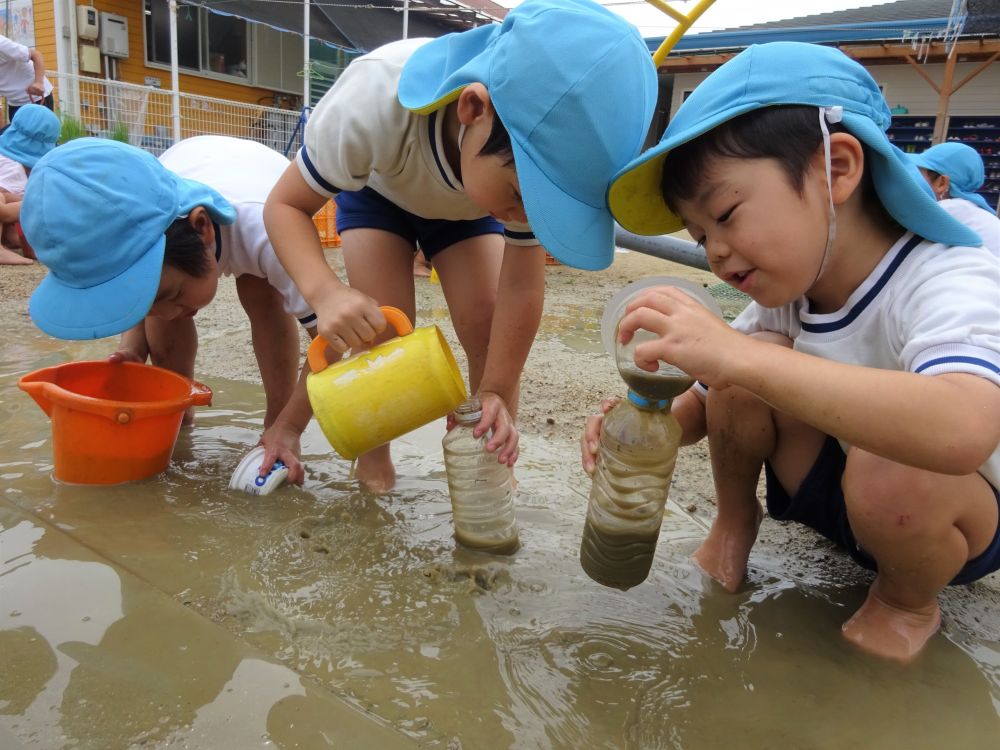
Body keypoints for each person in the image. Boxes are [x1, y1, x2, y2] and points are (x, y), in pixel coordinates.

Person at [583, 42, 1000, 662]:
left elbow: (964, 427)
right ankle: (733, 523)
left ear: (836, 168)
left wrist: (738, 356)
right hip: (836, 495)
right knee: (740, 373)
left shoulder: (946, 270)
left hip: (938, 513)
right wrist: (640, 421)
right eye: (700, 236)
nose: (716, 252)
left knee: (881, 459)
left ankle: (905, 599)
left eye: (726, 215)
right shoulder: (790, 281)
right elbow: (707, 404)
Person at [264, 0, 657, 493]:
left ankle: (491, 475)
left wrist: (494, 387)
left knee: (490, 326)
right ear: (473, 109)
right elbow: (284, 207)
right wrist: (324, 292)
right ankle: (374, 471)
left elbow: (520, 292)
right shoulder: (373, 97)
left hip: (469, 207)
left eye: (546, 209)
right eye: (523, 196)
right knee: (381, 331)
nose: (529, 219)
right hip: (380, 193)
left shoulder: (524, 180)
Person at [21, 136, 316, 484]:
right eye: (144, 301)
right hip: (180, 175)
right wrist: (131, 348)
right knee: (162, 313)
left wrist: (291, 423)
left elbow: (332, 338)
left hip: (262, 188)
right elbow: (141, 292)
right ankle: (178, 418)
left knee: (260, 293)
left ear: (202, 227)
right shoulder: (142, 226)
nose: (164, 312)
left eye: (171, 292)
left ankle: (275, 425)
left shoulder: (269, 229)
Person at [909, 142, 1000, 254]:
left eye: (917, 174)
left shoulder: (948, 210)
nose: (911, 179)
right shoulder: (972, 210)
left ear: (941, 183)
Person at [0, 103, 59, 265]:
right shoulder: (13, 167)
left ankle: (8, 239)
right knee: (25, 202)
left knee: (17, 199)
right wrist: (34, 205)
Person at [0, 34, 54, 121]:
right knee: (17, 134)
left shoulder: (2, 44)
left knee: (41, 134)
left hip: (36, 98)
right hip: (14, 103)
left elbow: (36, 55)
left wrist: (39, 83)